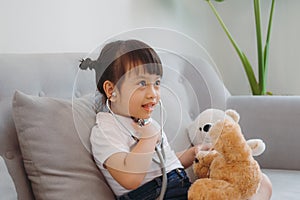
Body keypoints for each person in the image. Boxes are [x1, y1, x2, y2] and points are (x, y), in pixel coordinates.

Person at [79, 39, 272, 200]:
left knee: (261, 183)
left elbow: (163, 163)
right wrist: (147, 139)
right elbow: (129, 179)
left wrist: (193, 153)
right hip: (152, 195)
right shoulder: (105, 129)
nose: (153, 93)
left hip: (179, 186)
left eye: (156, 83)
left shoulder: (148, 124)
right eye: (142, 83)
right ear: (111, 90)